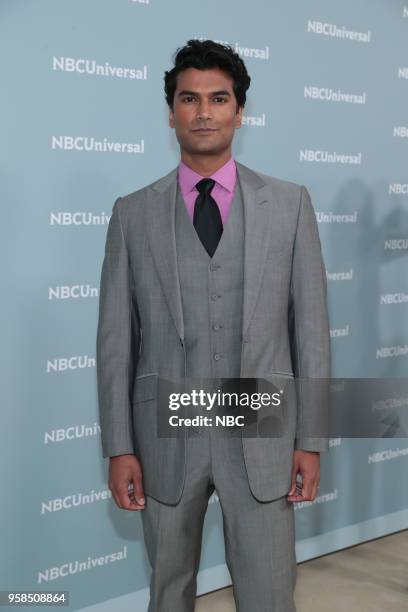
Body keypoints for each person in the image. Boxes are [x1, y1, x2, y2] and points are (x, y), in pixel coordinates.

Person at [96, 38, 330, 612]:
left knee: (270, 593)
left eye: (218, 98)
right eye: (189, 99)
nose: (204, 112)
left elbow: (312, 332)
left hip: (263, 430)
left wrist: (313, 440)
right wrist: (119, 446)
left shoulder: (290, 203)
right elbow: (115, 343)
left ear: (239, 111)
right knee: (168, 591)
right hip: (166, 432)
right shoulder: (133, 212)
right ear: (171, 112)